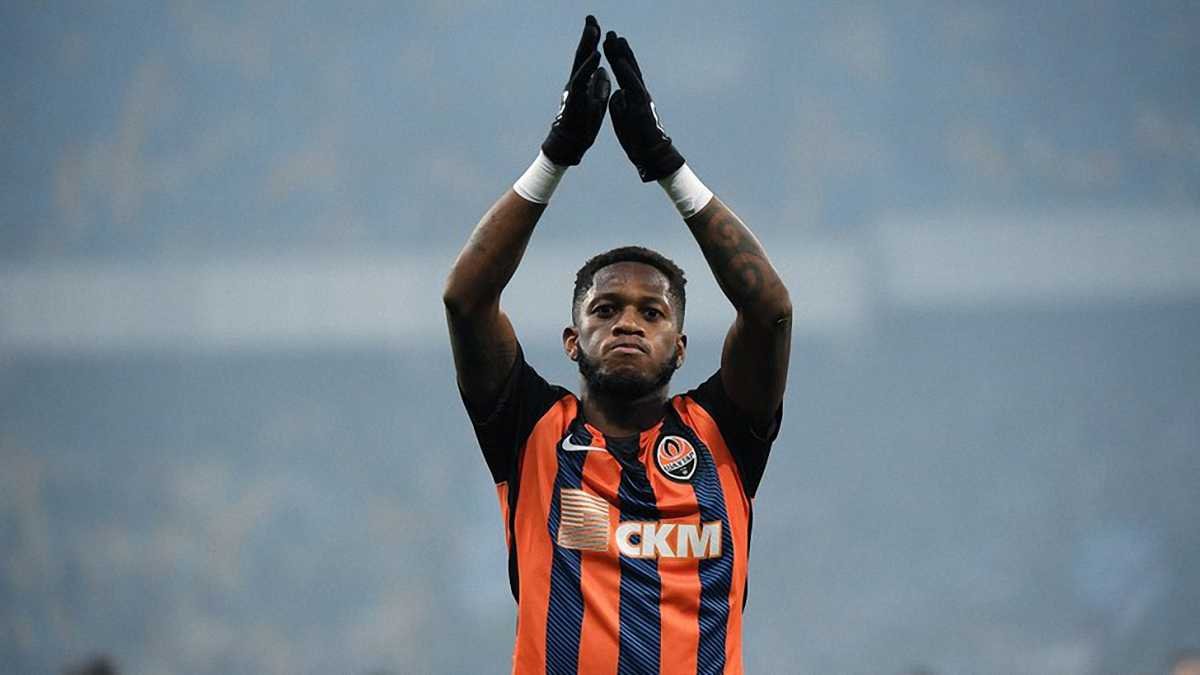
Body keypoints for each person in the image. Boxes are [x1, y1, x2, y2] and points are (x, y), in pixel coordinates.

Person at [444, 16, 791, 674]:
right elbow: (466, 298)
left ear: (681, 347)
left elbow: (769, 311)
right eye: (605, 310)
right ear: (572, 340)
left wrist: (667, 165)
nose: (628, 322)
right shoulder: (531, 431)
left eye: (651, 312)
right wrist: (555, 156)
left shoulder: (723, 432)